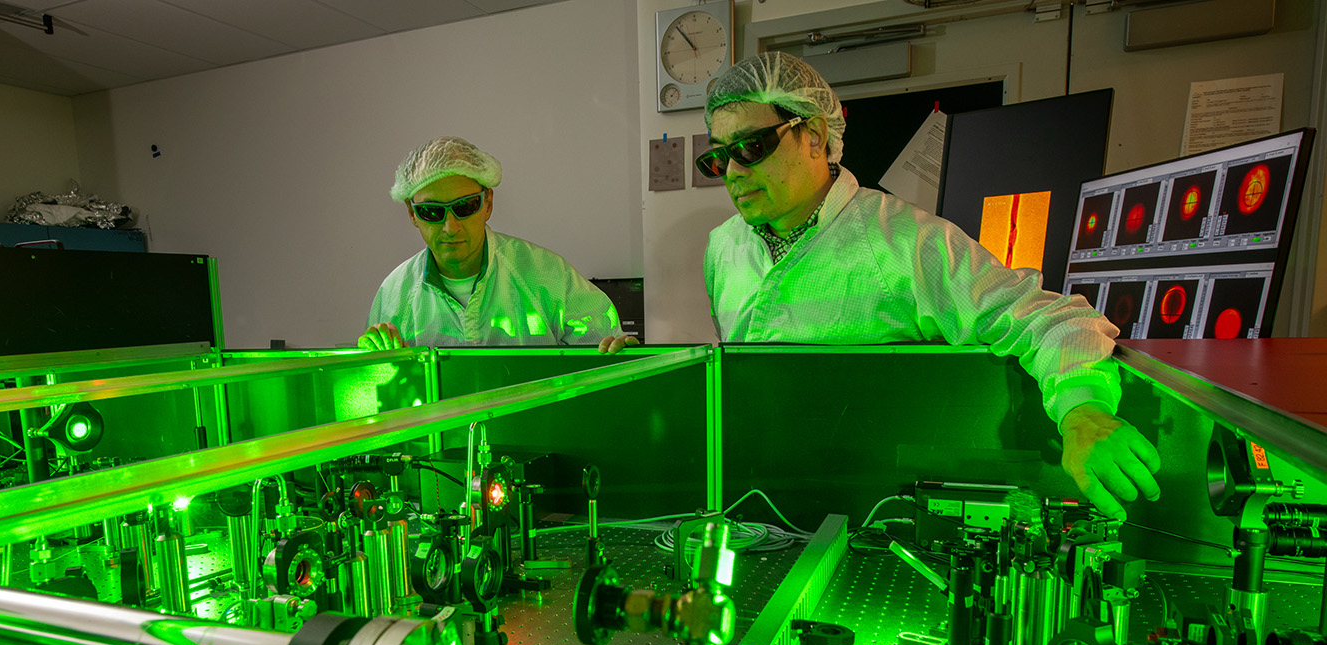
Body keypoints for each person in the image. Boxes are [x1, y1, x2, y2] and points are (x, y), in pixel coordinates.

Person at [696, 53, 1160, 521]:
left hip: (871, 516)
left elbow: (1049, 319)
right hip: (753, 508)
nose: (733, 172)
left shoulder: (906, 243)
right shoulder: (724, 249)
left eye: (750, 147)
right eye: (717, 157)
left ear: (814, 136)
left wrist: (1083, 409)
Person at [362, 136, 636, 353]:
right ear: (412, 213)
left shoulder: (548, 277)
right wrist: (374, 367)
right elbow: (385, 394)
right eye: (431, 212)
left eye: (465, 206)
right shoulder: (394, 297)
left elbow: (602, 360)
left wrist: (623, 354)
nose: (450, 226)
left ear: (487, 203)